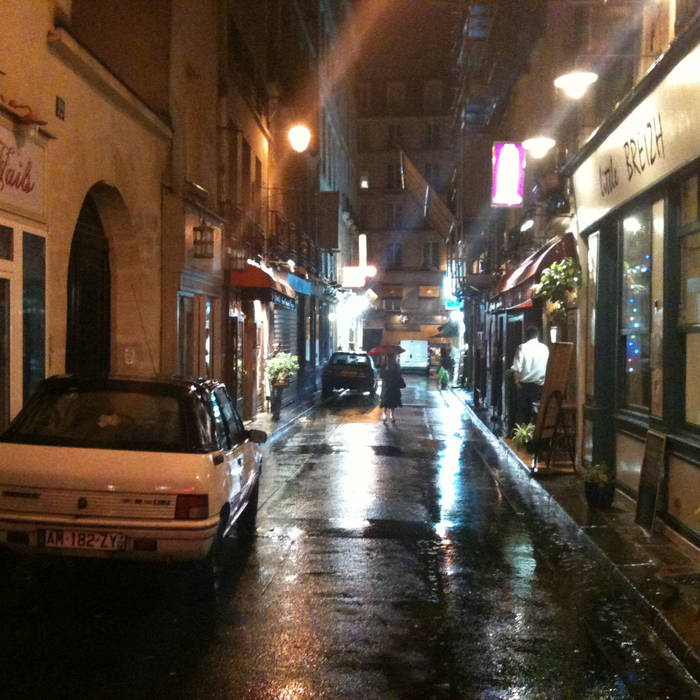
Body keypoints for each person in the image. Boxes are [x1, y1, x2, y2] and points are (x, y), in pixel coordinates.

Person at [511, 325, 549, 424]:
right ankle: (537, 432)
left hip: (525, 387)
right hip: (540, 386)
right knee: (538, 414)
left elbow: (516, 369)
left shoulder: (522, 348)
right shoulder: (544, 348)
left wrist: (517, 384)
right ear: (537, 336)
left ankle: (525, 433)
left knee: (524, 415)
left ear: (526, 336)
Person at [379, 353, 405, 423]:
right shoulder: (384, 365)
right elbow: (381, 375)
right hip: (386, 386)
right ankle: (384, 414)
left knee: (393, 401)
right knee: (385, 400)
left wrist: (395, 371)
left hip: (394, 386)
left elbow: (399, 374)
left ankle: (392, 414)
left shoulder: (396, 365)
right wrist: (385, 370)